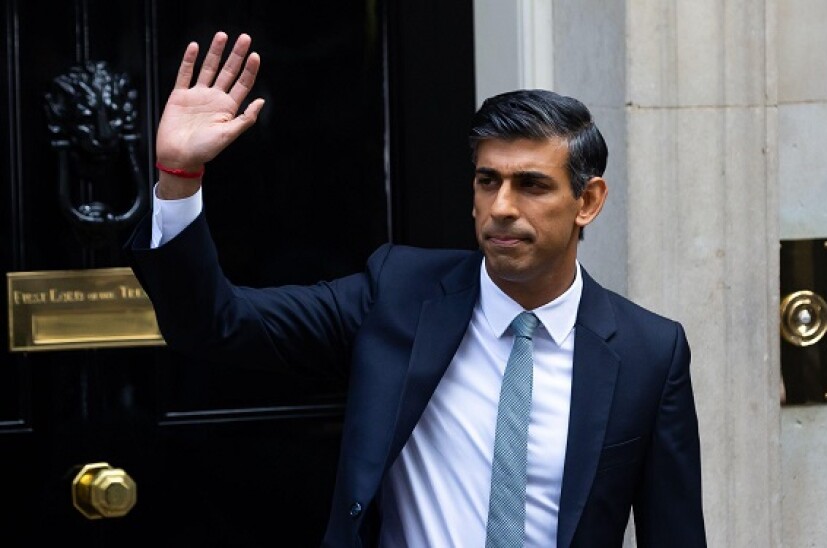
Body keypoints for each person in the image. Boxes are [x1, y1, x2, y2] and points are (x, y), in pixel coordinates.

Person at [127, 31, 707, 547]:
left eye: (531, 185)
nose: (501, 208)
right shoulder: (399, 294)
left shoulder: (648, 353)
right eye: (488, 181)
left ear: (588, 201)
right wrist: (180, 178)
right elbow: (215, 323)